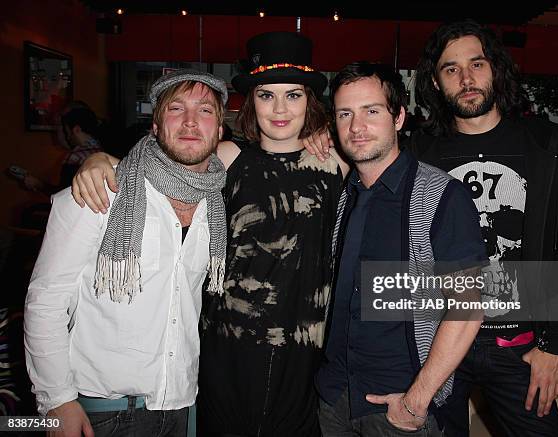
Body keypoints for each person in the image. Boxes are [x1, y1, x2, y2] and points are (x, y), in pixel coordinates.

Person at [70, 31, 348, 436]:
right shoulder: (226, 158)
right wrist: (100, 157)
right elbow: (159, 158)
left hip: (305, 349)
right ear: (251, 101)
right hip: (227, 344)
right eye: (267, 95)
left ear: (310, 100)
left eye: (293, 95)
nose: (280, 108)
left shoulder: (337, 164)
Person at [24, 69, 228, 437]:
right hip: (101, 411)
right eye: (176, 108)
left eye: (205, 111)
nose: (190, 122)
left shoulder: (216, 206)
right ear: (155, 125)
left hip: (180, 406)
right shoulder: (101, 190)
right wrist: (57, 402)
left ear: (220, 131)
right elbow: (45, 301)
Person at [411, 20, 558, 436]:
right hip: (440, 341)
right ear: (436, 82)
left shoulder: (546, 145)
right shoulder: (419, 153)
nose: (466, 78)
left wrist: (555, 346)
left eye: (477, 64)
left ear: (496, 70)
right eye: (451, 69)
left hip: (521, 346)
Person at [315, 62, 487, 436]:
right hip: (334, 397)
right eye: (345, 114)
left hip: (399, 407)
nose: (357, 127)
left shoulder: (441, 195)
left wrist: (416, 400)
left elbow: (469, 307)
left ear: (398, 117)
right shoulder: (346, 194)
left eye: (371, 111)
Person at [19, 105, 103, 196]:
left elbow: (63, 194)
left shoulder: (75, 157)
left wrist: (38, 184)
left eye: (66, 132)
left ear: (76, 130)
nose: (67, 137)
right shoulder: (105, 151)